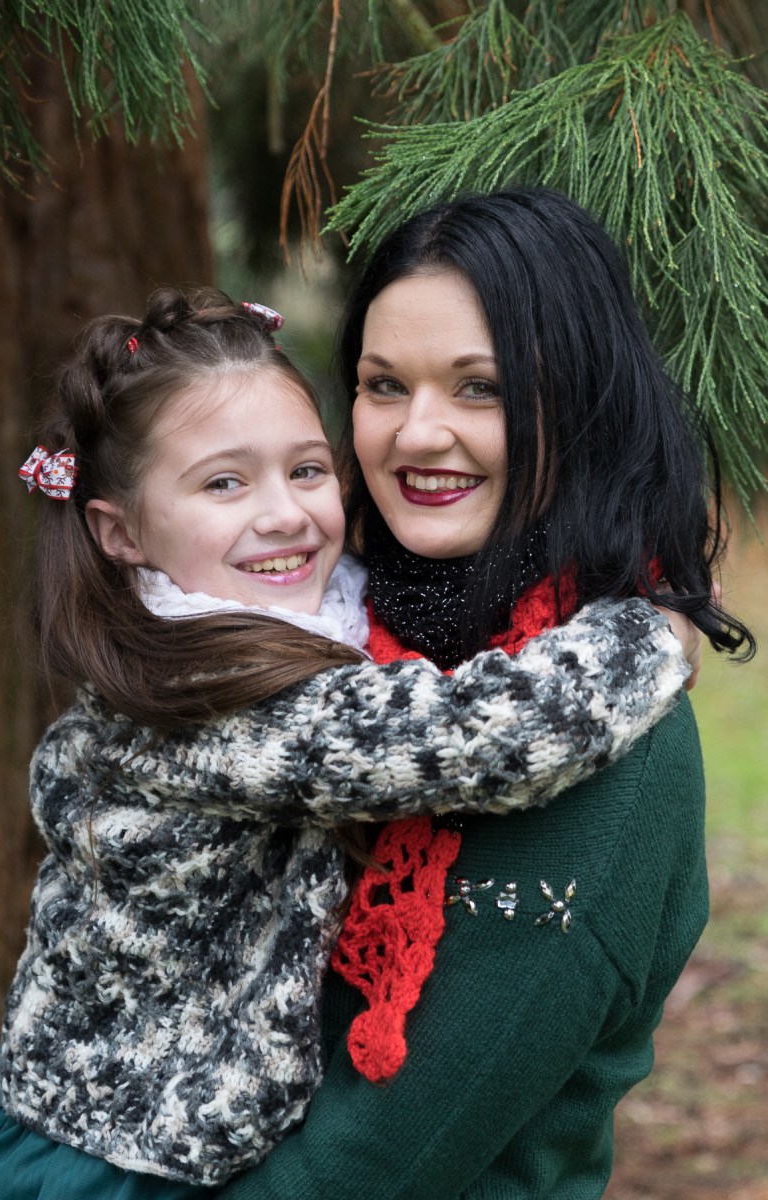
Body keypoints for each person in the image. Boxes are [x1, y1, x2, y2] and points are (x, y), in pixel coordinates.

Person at [0, 286, 698, 1200]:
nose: (284, 514)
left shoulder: (312, 608)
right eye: (225, 483)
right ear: (120, 533)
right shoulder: (203, 692)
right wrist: (648, 636)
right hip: (122, 1155)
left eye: (307, 469)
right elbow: (471, 739)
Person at [213, 188, 755, 1200]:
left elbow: (366, 1170)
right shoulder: (321, 635)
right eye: (384, 385)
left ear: (582, 404)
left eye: (481, 389)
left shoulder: (601, 745)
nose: (418, 434)